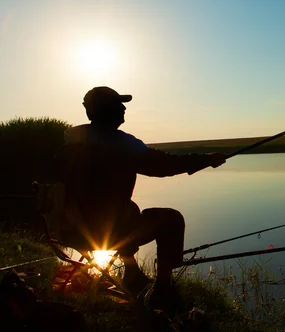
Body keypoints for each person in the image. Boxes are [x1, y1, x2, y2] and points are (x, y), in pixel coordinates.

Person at [56, 86, 225, 311]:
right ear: (105, 111)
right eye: (118, 104)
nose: (124, 108)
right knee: (171, 219)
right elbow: (164, 165)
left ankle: (132, 273)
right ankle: (163, 289)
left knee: (128, 210)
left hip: (70, 233)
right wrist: (205, 160)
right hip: (107, 231)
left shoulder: (68, 146)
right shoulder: (120, 144)